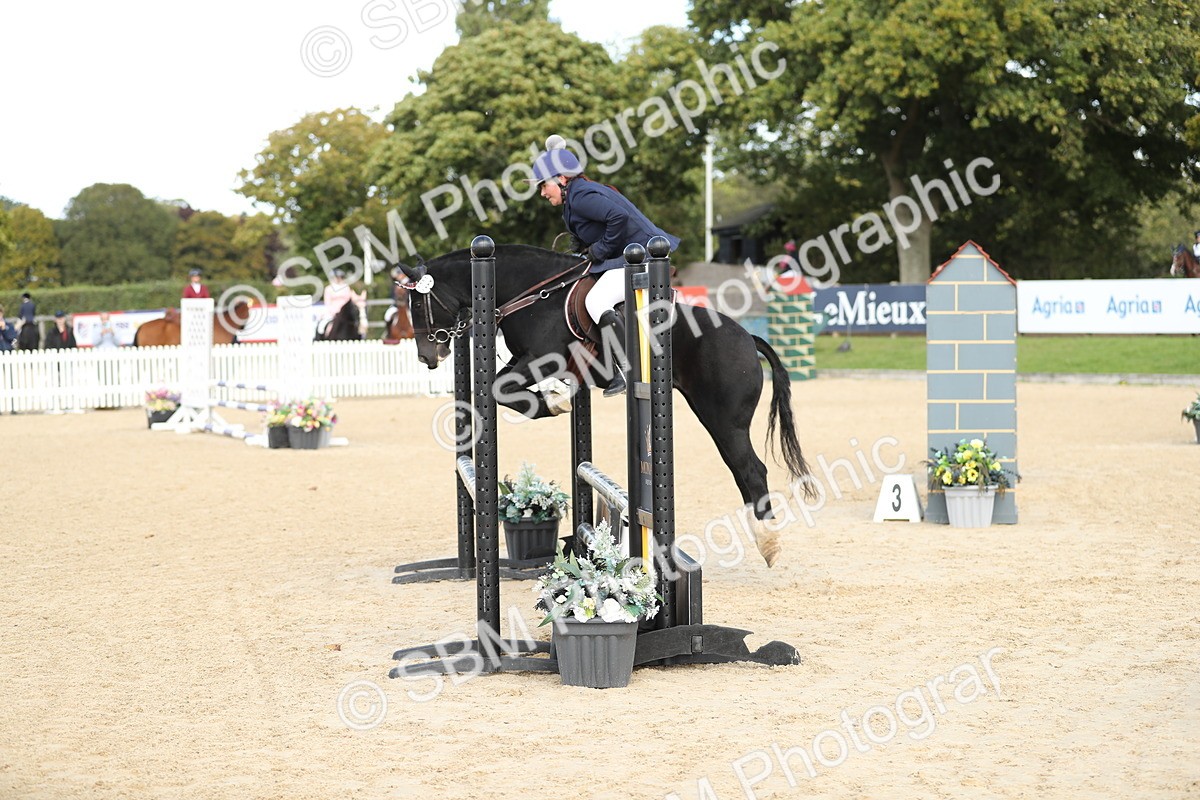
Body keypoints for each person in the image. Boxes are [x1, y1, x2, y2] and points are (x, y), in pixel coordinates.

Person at [528, 134, 680, 396]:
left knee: (596, 302)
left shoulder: (582, 195)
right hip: (630, 258)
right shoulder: (574, 197)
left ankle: (625, 369)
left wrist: (599, 250)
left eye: (544, 185)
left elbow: (618, 218)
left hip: (643, 260)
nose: (542, 192)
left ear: (561, 179)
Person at [321, 268, 367, 336]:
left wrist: (361, 299)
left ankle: (360, 335)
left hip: (345, 312)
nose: (340, 279)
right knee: (322, 326)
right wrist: (331, 312)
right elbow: (327, 303)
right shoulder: (329, 289)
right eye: (338, 277)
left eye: (341, 277)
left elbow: (352, 298)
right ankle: (324, 336)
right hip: (332, 312)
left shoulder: (346, 287)